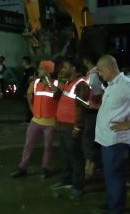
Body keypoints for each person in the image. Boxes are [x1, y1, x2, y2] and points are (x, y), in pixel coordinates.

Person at [94, 55, 130, 214]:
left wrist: (128, 124)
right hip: (106, 140)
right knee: (110, 175)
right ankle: (112, 202)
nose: (100, 74)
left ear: (109, 68)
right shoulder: (112, 85)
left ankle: (116, 209)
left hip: (116, 142)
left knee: (115, 176)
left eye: (101, 71)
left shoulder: (125, 85)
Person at [11, 60, 58, 179]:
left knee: (48, 147)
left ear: (48, 71)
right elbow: (29, 95)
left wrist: (49, 83)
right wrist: (33, 110)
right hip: (36, 121)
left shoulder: (56, 84)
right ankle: (22, 167)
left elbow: (58, 96)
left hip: (50, 122)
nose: (39, 71)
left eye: (42, 69)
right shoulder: (35, 83)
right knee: (28, 145)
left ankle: (46, 168)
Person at [50, 57, 89, 199]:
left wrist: (77, 127)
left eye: (65, 67)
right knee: (65, 156)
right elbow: (59, 101)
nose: (62, 69)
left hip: (72, 127)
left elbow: (81, 109)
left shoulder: (81, 85)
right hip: (63, 126)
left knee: (76, 158)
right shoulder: (67, 83)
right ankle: (66, 180)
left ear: (73, 68)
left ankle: (78, 186)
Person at [81, 53, 104, 180]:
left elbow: (97, 93)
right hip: (94, 111)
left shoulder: (93, 75)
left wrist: (91, 103)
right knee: (90, 140)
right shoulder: (95, 73)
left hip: (93, 112)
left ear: (86, 61)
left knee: (89, 140)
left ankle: (90, 169)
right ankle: (91, 167)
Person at [22, 56, 37, 122]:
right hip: (26, 89)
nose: (22, 64)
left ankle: (31, 118)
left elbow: (31, 79)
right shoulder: (26, 70)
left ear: (26, 62)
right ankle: (29, 118)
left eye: (23, 62)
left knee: (30, 104)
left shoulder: (30, 70)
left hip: (30, 90)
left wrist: (28, 89)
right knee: (27, 104)